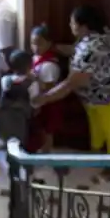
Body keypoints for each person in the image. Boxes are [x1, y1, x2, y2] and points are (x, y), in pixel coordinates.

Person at [33, 5, 110, 156]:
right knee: (97, 129)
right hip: (95, 99)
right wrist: (53, 47)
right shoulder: (98, 34)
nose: (70, 25)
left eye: (72, 23)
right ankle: (95, 156)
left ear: (84, 26)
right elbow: (76, 50)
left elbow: (70, 84)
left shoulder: (92, 49)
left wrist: (44, 98)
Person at [30, 24, 63, 153]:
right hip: (39, 100)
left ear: (49, 43)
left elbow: (48, 89)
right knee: (41, 127)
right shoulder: (35, 58)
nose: (35, 47)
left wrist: (34, 78)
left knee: (48, 129)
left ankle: (47, 150)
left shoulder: (49, 65)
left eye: (40, 44)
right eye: (33, 43)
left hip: (49, 102)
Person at [0, 50, 36, 151]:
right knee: (21, 144)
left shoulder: (5, 80)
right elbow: (35, 102)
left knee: (8, 142)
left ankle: (10, 162)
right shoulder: (32, 83)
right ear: (30, 66)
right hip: (22, 118)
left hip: (5, 116)